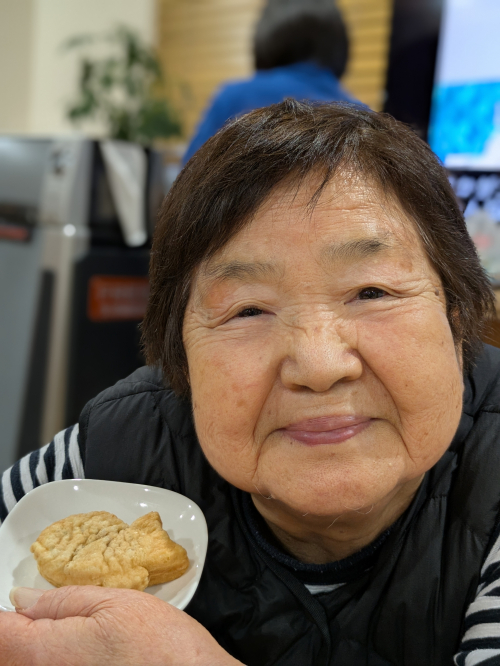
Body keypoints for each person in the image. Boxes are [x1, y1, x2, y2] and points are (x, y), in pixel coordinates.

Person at [1, 99, 500, 665]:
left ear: (456, 316)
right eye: (248, 310)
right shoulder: (119, 446)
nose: (318, 365)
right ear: (180, 355)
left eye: (372, 292)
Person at [183, 0, 356, 163]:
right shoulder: (359, 113)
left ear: (266, 36)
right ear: (338, 46)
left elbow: (189, 173)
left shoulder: (233, 99)